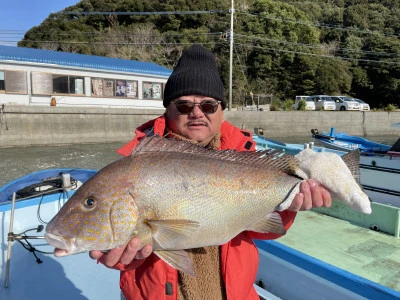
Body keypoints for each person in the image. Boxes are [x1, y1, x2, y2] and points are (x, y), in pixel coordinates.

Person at [89, 44, 332, 299]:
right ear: (167, 110)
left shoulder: (245, 157)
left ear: (222, 110)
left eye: (208, 105)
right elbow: (125, 252)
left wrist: (290, 207)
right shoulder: (137, 165)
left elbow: (266, 229)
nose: (196, 113)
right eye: (184, 105)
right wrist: (119, 257)